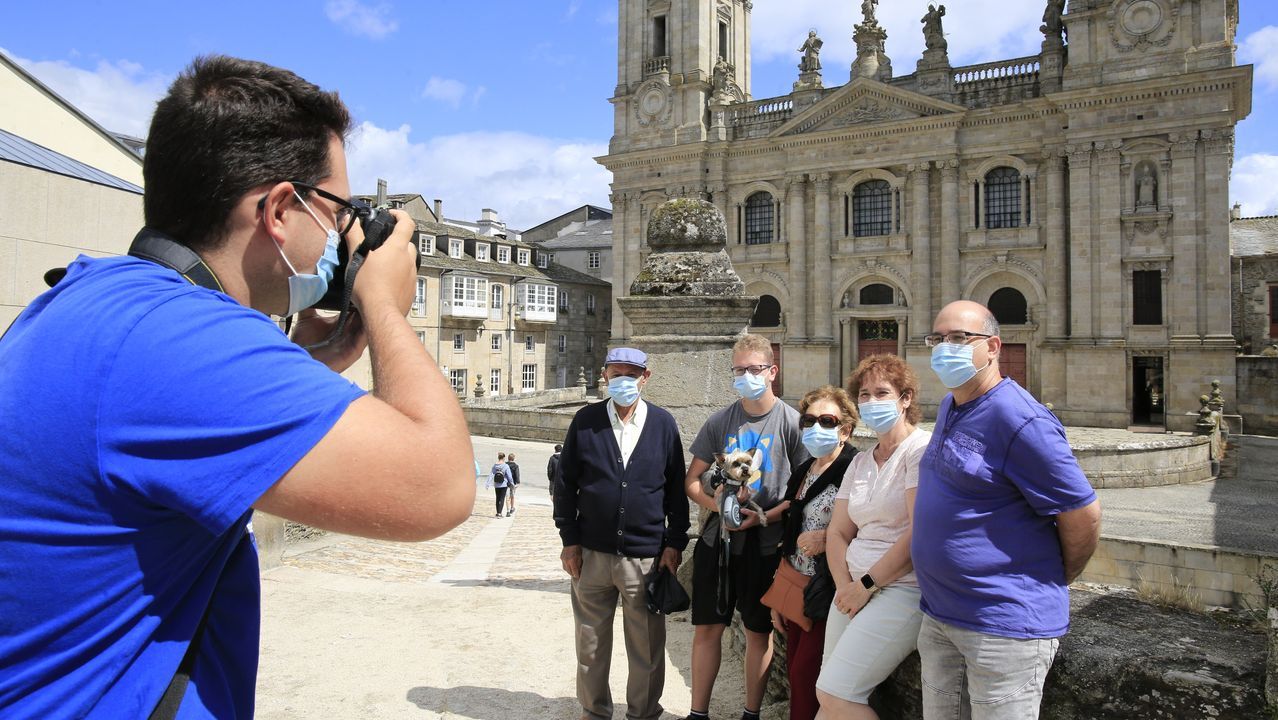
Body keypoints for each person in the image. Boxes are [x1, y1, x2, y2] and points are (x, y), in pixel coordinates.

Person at [0, 55, 474, 718]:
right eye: (337, 211)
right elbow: (439, 489)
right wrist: (387, 304)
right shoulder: (179, 340)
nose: (342, 238)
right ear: (280, 210)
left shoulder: (102, 299)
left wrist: (320, 355)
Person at [912, 301, 1101, 719]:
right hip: (942, 616)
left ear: (994, 346)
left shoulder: (1020, 419)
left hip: (1003, 628)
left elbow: (1082, 512)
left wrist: (1059, 574)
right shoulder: (951, 405)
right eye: (938, 339)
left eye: (959, 338)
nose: (945, 348)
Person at [554, 347, 689, 720]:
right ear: (605, 376)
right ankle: (594, 712)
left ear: (646, 377)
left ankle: (642, 713)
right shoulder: (585, 421)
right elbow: (565, 485)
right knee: (591, 644)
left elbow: (675, 488)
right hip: (592, 554)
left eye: (632, 373)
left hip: (645, 557)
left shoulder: (662, 424)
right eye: (617, 373)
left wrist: (674, 543)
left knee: (646, 646)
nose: (624, 380)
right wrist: (569, 541)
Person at [684, 334, 810, 720]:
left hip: (765, 545)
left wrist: (766, 516)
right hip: (717, 544)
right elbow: (691, 481)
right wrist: (718, 508)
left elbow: (807, 489)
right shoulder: (720, 420)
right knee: (707, 628)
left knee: (758, 631)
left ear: (772, 371)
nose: (745, 376)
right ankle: (698, 713)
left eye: (753, 369)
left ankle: (751, 714)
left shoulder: (791, 422)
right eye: (738, 370)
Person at [815, 355, 931, 720]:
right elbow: (838, 531)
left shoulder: (921, 451)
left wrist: (865, 584)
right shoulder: (861, 462)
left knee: (834, 693)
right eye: (864, 395)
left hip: (902, 589)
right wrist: (844, 585)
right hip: (850, 587)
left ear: (906, 398)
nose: (871, 402)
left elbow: (920, 531)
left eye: (882, 392)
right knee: (828, 694)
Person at [769, 386, 858, 720]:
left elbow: (870, 526)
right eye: (809, 420)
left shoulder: (854, 468)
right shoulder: (804, 469)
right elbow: (790, 530)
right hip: (797, 585)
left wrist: (827, 537)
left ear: (845, 430)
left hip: (828, 590)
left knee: (807, 674)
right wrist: (781, 593)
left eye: (827, 420)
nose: (816, 427)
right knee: (795, 670)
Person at [491, 452, 514, 518]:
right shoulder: (506, 466)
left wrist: (487, 483)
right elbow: (509, 476)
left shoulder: (495, 465)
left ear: (498, 457)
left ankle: (497, 512)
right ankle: (500, 513)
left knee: (497, 498)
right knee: (502, 498)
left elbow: (491, 474)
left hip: (496, 484)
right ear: (504, 458)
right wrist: (512, 483)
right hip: (503, 484)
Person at [506, 452, 521, 516]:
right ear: (513, 459)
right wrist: (518, 482)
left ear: (508, 458)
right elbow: (517, 475)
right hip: (513, 483)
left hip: (506, 482)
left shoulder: (505, 465)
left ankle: (508, 510)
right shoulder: (516, 466)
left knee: (507, 497)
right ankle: (512, 507)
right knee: (512, 496)